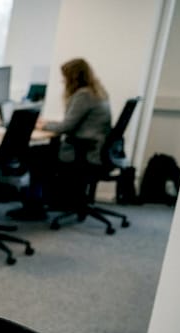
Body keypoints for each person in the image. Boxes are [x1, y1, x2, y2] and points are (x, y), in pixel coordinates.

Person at [11, 57, 113, 220]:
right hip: (93, 148)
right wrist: (48, 123)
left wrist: (41, 126)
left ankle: (33, 207)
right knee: (39, 152)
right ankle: (40, 201)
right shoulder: (96, 91)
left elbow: (67, 127)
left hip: (82, 151)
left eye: (65, 76)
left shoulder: (83, 95)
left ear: (73, 77)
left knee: (31, 155)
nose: (63, 80)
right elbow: (73, 123)